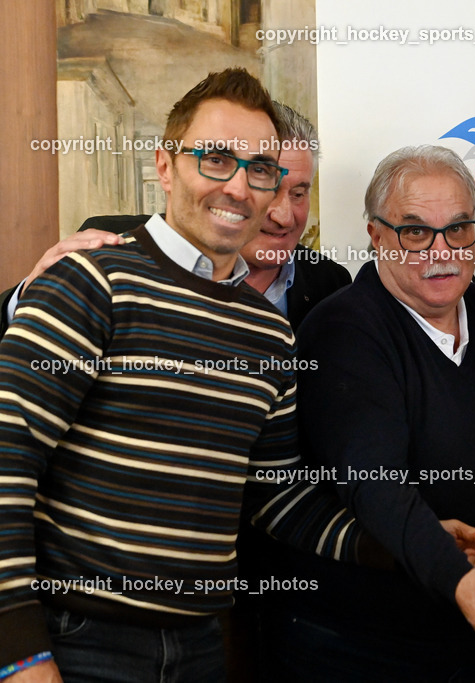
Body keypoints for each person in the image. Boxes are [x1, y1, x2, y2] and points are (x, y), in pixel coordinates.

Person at [0, 68, 344, 683]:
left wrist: (422, 548)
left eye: (260, 169)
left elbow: (281, 499)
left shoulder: (270, 334)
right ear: (164, 165)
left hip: (201, 646)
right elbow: (7, 458)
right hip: (77, 641)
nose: (238, 187)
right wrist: (19, 650)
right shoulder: (91, 281)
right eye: (215, 160)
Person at [271, 145, 475, 681]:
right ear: (377, 237)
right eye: (415, 232)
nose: (440, 251)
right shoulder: (344, 330)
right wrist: (458, 577)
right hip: (361, 642)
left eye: (459, 228)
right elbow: (373, 482)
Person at [0, 102, 351, 336]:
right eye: (270, 188)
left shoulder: (330, 284)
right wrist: (28, 299)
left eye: (299, 193)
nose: (284, 215)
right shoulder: (110, 244)